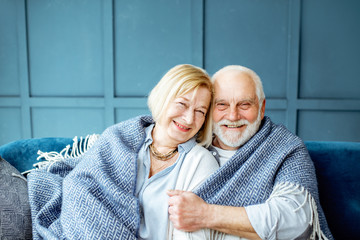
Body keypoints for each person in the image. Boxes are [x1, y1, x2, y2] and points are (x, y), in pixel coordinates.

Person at [27, 64, 219, 239]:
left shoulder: (200, 162)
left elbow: (195, 235)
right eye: (182, 104)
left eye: (200, 111)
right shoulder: (119, 138)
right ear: (163, 99)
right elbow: (80, 189)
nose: (188, 118)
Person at [167, 65, 334, 240]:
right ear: (209, 109)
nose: (233, 116)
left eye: (244, 104)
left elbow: (295, 219)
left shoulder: (286, 148)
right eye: (222, 104)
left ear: (261, 108)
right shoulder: (190, 143)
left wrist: (204, 214)